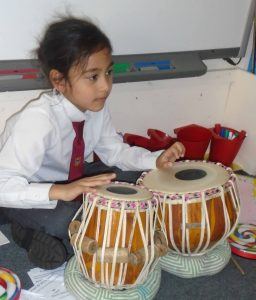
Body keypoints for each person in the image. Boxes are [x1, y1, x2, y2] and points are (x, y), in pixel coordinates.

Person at [0, 16, 185, 269]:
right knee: (72, 218)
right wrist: (60, 191)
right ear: (59, 81)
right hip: (30, 190)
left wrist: (155, 160)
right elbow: (3, 185)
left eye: (108, 72)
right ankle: (25, 231)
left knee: (138, 177)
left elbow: (115, 151)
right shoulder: (38, 120)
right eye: (93, 77)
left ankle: (63, 233)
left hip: (73, 178)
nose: (106, 86)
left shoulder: (95, 107)